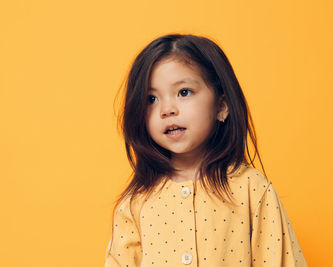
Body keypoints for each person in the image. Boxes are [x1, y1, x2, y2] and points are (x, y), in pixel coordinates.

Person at [105, 33, 308, 266]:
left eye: (184, 92)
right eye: (151, 99)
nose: (167, 109)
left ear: (221, 106)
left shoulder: (252, 189)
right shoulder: (136, 203)